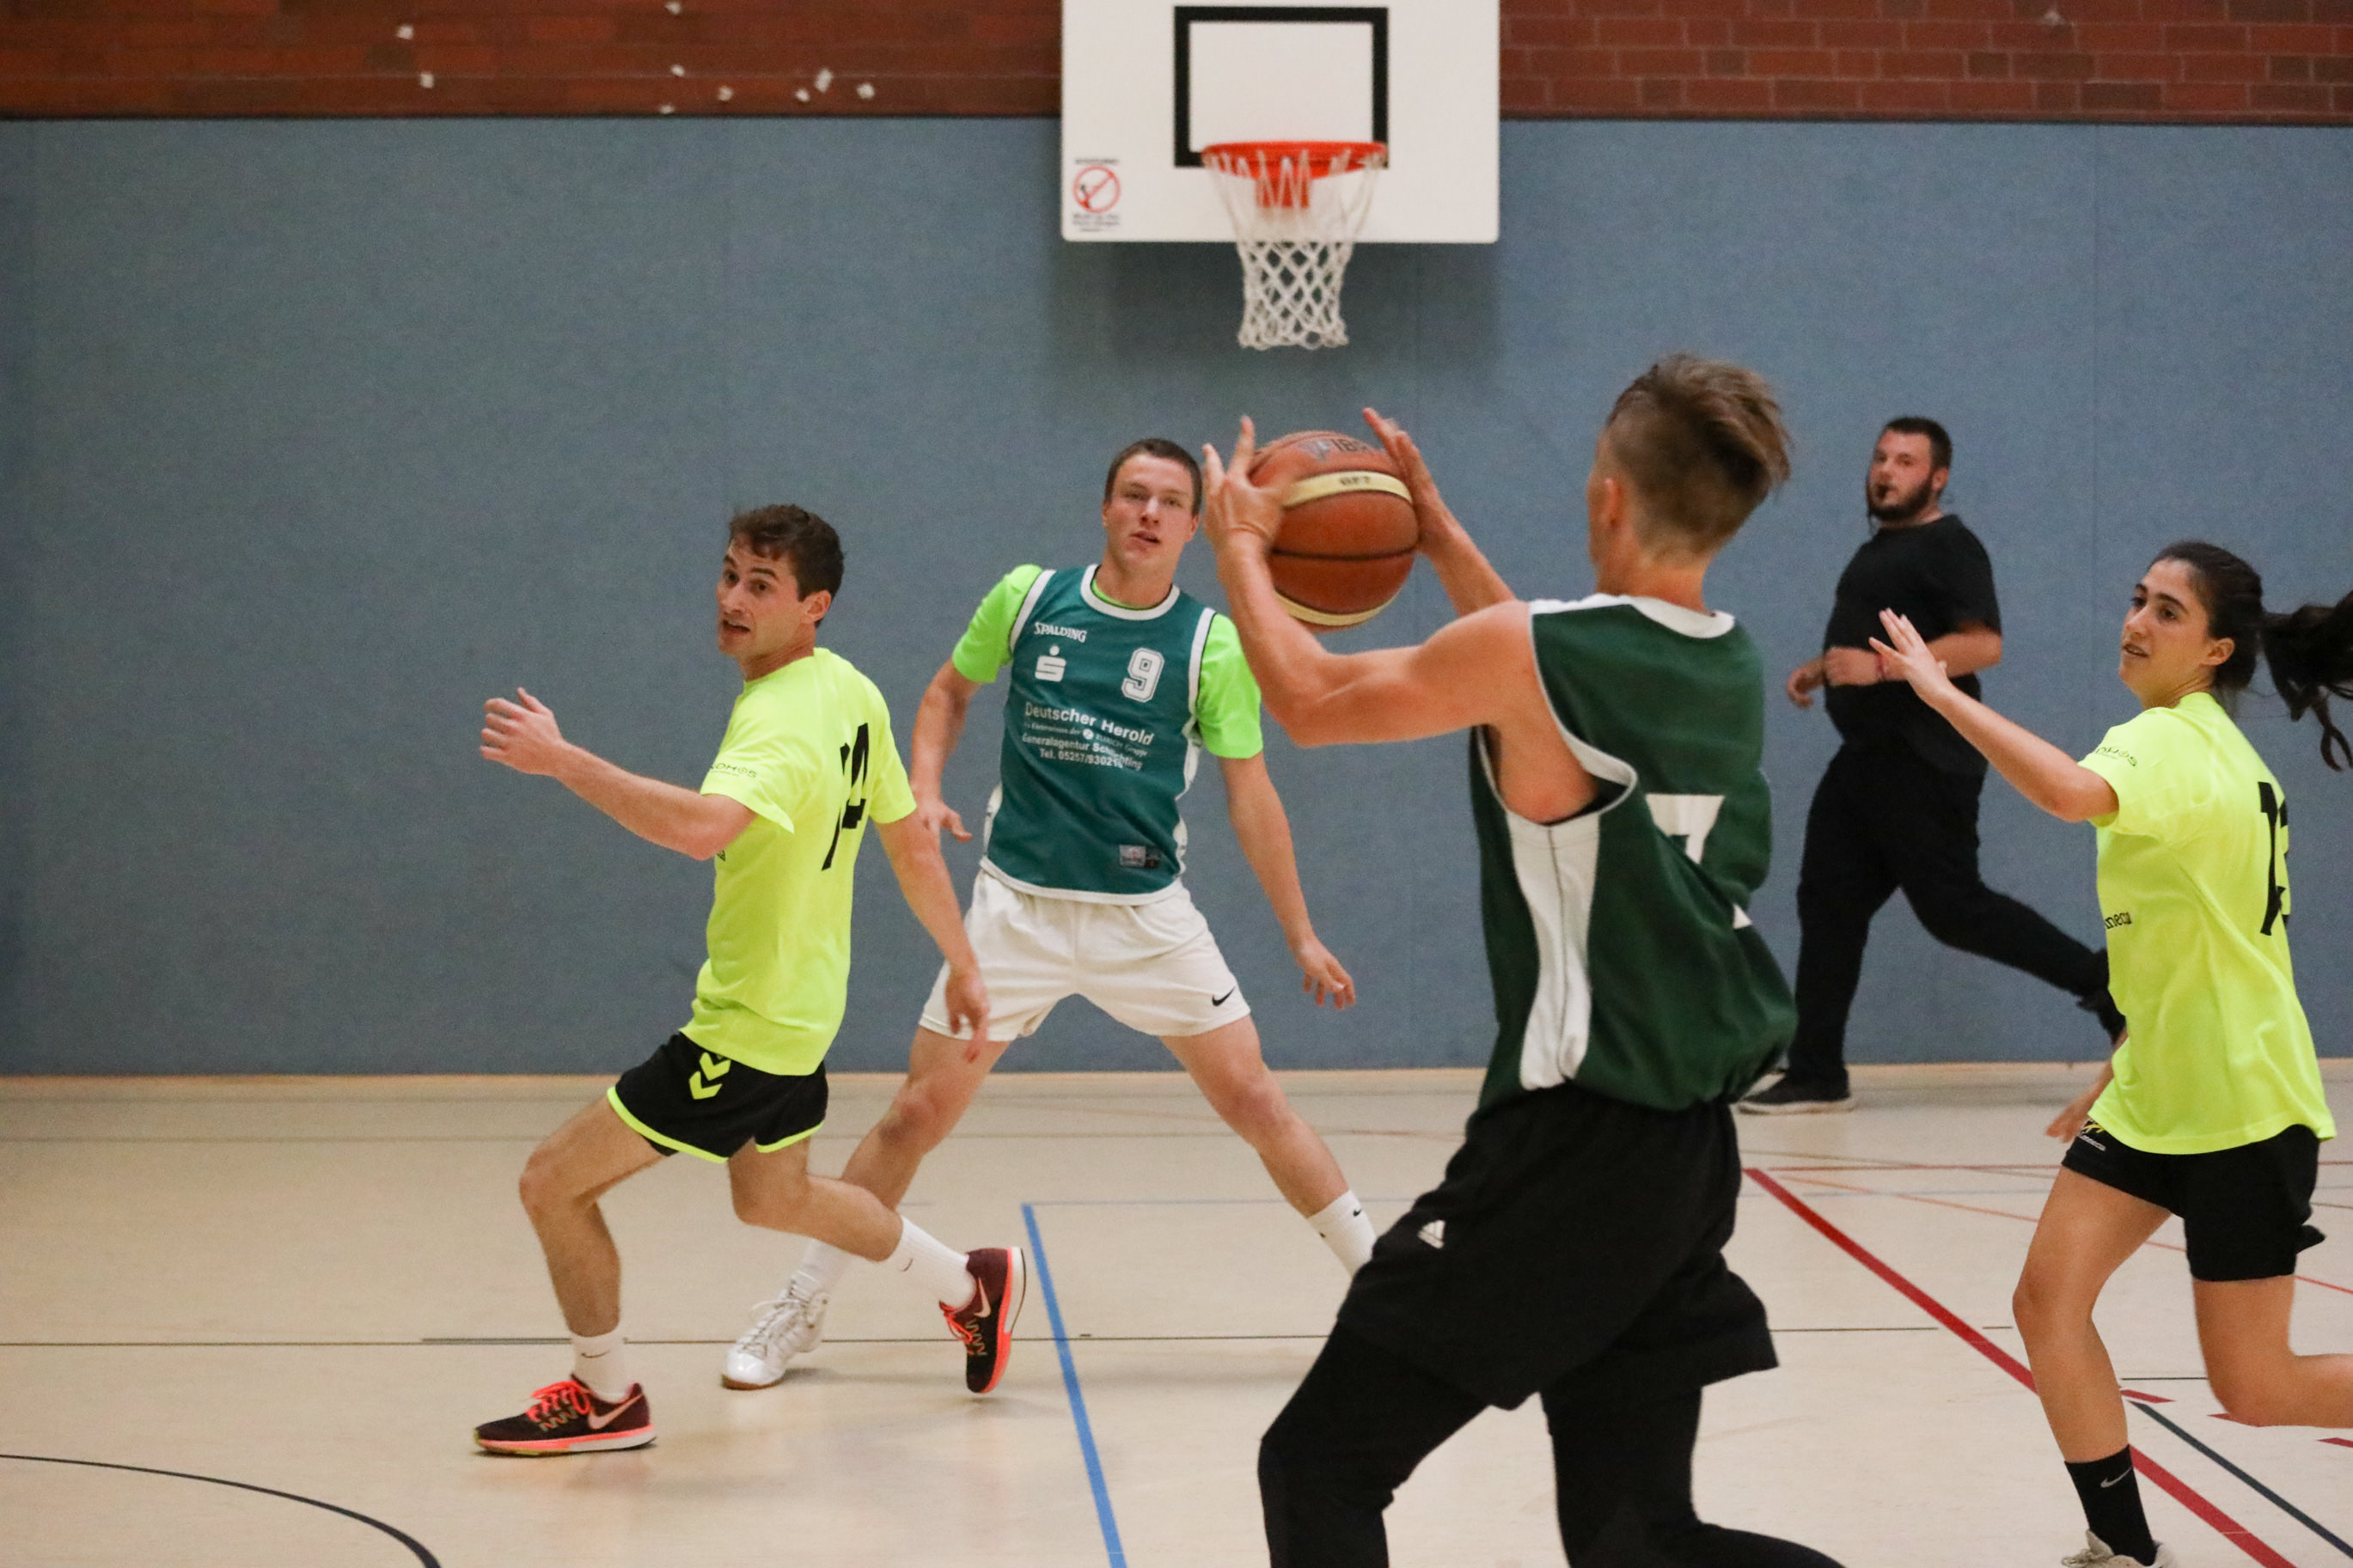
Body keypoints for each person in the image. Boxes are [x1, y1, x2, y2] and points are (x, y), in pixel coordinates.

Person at [1205, 363, 1843, 1568]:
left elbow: (1310, 698)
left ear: (1606, 496)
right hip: (1684, 1154)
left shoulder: (1540, 655)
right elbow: (1536, 682)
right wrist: (1441, 536)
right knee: (1636, 1543)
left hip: (1569, 1159)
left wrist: (1237, 542)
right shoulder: (1724, 658)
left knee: (1318, 1464)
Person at [720, 438, 1371, 1393]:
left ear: (1194, 527)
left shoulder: (1210, 645)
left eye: (1169, 502)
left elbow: (1251, 796)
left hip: (1144, 916)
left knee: (1257, 1101)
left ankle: (1387, 1288)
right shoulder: (1028, 599)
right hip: (1014, 910)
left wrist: (1299, 932)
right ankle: (802, 1301)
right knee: (913, 1114)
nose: (1148, 513)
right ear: (1105, 508)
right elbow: (947, 693)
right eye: (1133, 494)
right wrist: (927, 786)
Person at [469, 504, 1025, 1455]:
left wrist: (562, 761)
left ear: (814, 606)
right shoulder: (850, 688)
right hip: (803, 1005)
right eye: (729, 573)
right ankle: (970, 1285)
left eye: (760, 585)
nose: (732, 598)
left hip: (746, 1025)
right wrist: (964, 964)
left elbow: (700, 831)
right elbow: (907, 841)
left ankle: (604, 1397)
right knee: (773, 1196)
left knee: (552, 1182)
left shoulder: (776, 719)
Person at [1872, 542, 2351, 1568]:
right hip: (2157, 1089)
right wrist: (2124, 1052)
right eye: (2137, 599)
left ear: (2214, 649)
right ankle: (2122, 1545)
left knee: (2255, 1388)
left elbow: (2064, 793)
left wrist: (1939, 693)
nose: (2135, 621)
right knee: (2045, 1300)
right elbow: (2203, 934)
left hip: (2237, 1104)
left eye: (2166, 611)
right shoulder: (2223, 754)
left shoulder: (2168, 741)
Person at [1742, 418, 2123, 1114]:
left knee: (1953, 909)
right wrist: (1826, 668)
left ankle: (2110, 988)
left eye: (1906, 461)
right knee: (1828, 904)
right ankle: (1817, 1071)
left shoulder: (1950, 544)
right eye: (1881, 457)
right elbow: (1877, 645)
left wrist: (1878, 668)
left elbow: (1983, 645)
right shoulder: (1880, 550)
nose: (1887, 470)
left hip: (1922, 759)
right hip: (1864, 760)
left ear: (1937, 477)